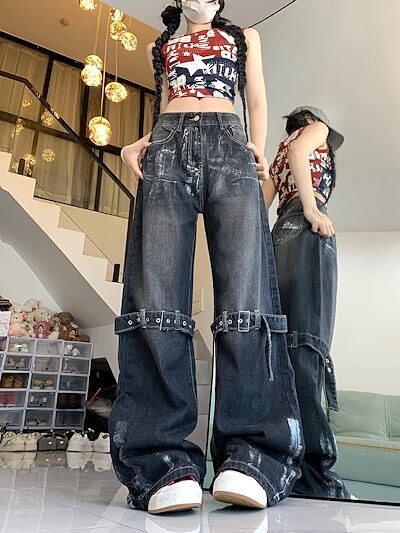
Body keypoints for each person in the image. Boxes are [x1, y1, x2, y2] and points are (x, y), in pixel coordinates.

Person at [109, 0, 304, 514]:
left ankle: (252, 456)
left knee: (246, 293)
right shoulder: (158, 45)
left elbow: (255, 98)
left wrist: (258, 147)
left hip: (230, 145)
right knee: (155, 294)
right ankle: (161, 461)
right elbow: (167, 104)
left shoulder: (243, 37)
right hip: (166, 148)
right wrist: (137, 144)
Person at [263, 106, 350, 498]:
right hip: (306, 226)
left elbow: (260, 203)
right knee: (309, 344)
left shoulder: (280, 152)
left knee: (283, 348)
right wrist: (312, 208)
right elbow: (302, 153)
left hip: (280, 231)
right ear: (312, 121)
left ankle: (283, 462)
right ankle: (314, 472)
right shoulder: (316, 131)